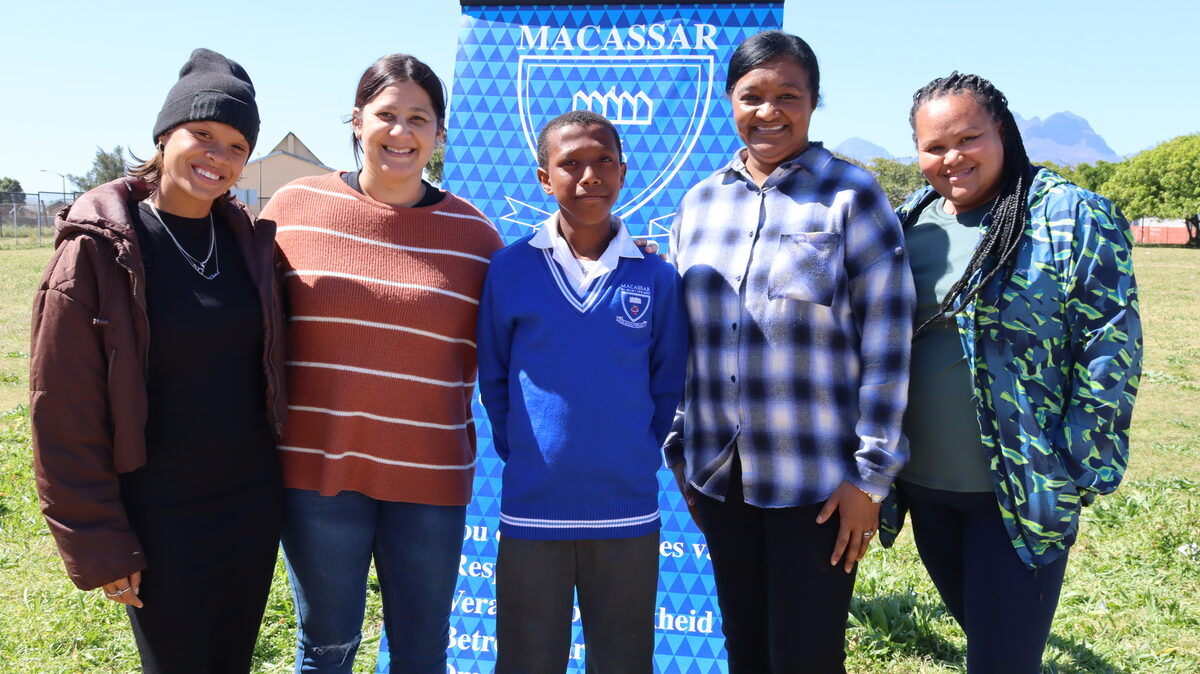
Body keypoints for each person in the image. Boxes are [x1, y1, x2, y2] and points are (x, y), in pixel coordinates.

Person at [663, 30, 915, 673]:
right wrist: (681, 453)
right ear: (729, 101)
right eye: (753, 96)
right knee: (745, 648)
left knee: (805, 655)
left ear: (813, 101)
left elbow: (889, 340)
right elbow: (676, 342)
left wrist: (870, 477)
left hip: (820, 484)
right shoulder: (698, 204)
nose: (769, 111)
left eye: (788, 95)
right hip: (720, 477)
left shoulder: (852, 197)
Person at [30, 48, 284, 672]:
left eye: (235, 145)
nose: (217, 157)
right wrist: (100, 539)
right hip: (158, 514)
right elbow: (62, 409)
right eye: (203, 135)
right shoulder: (98, 253)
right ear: (165, 136)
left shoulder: (249, 246)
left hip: (249, 505)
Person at [879, 72, 1142, 673]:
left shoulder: (1072, 217)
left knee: (1001, 662)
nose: (952, 158)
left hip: (1019, 495)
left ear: (1003, 131)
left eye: (968, 137)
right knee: (989, 642)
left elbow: (1112, 347)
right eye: (934, 147)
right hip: (926, 490)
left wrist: (1076, 470)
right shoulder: (905, 223)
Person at [260, 54, 503, 673]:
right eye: (386, 115)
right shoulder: (292, 208)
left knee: (422, 654)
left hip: (431, 477)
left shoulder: (475, 236)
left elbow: (534, 314)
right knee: (326, 649)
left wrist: (616, 257)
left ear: (440, 133)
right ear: (357, 121)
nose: (401, 132)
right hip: (319, 471)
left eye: (418, 118)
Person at [476, 110, 689, 673]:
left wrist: (639, 452)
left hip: (625, 510)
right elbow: (494, 378)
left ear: (623, 172)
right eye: (570, 163)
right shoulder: (509, 269)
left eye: (602, 162)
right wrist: (527, 453)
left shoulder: (655, 276)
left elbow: (668, 380)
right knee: (526, 660)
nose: (589, 175)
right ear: (545, 178)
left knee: (622, 660)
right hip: (534, 509)